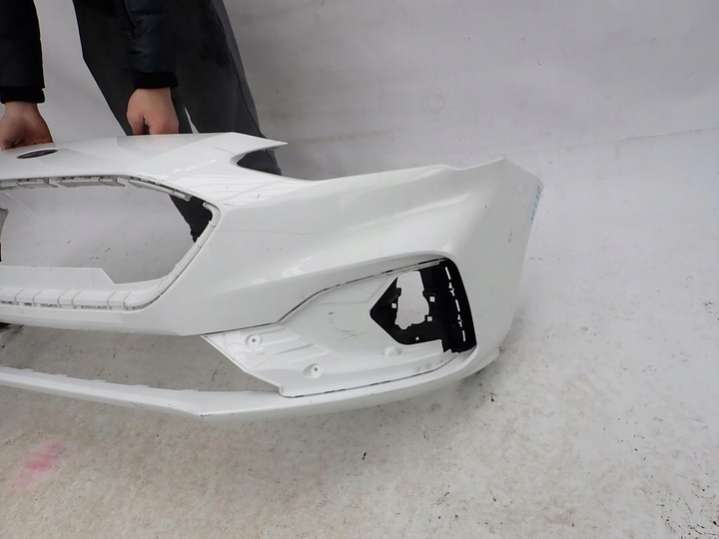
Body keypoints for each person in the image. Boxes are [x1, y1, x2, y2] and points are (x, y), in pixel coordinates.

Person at [0, 0, 280, 328]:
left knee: (231, 139)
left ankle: (276, 250)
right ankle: (218, 250)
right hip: (103, 20)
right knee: (163, 156)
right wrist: (19, 99)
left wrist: (152, 75)